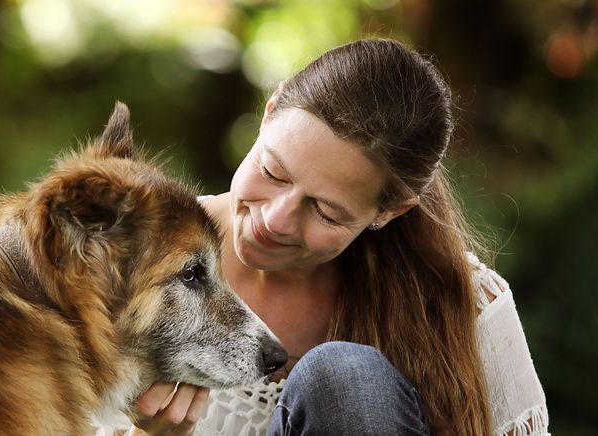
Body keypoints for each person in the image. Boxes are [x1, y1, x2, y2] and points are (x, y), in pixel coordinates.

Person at [102, 38, 548, 435]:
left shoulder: (459, 299)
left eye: (326, 212)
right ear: (270, 110)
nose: (275, 221)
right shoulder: (140, 258)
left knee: (344, 379)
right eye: (273, 171)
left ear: (390, 212)